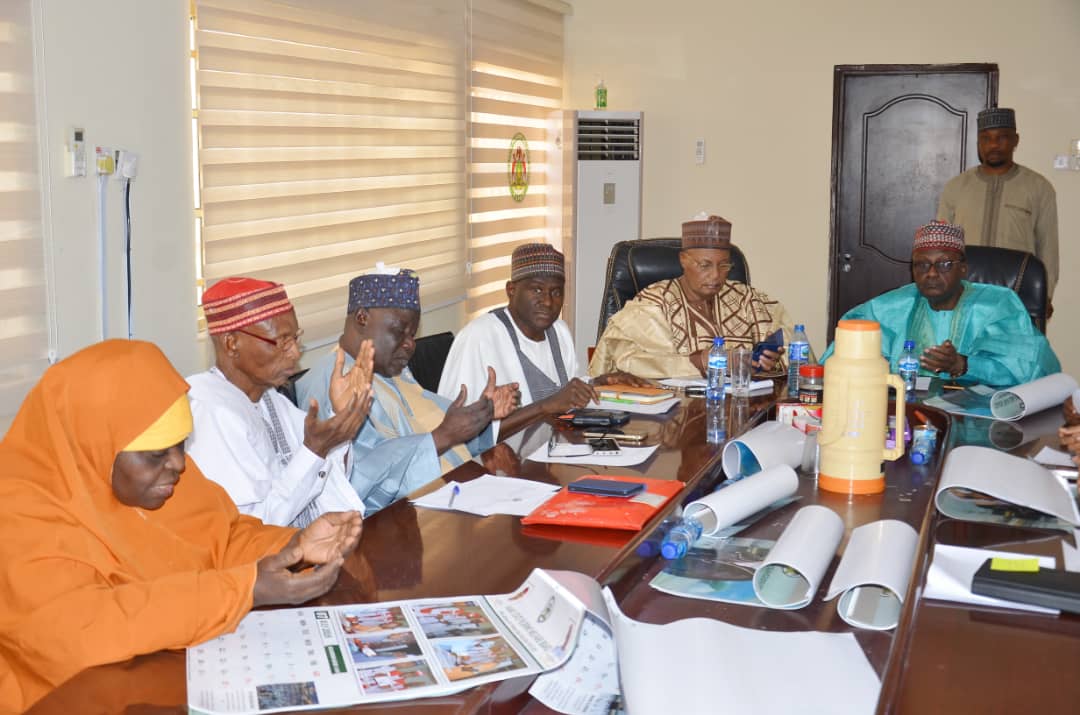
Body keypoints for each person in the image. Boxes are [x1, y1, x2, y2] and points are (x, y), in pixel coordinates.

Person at [0, 340, 362, 712]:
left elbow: (224, 538)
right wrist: (243, 589)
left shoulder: (157, 479)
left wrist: (294, 548)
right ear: (93, 447)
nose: (179, 465)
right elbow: (87, 633)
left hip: (162, 677)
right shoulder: (18, 513)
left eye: (181, 445)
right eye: (158, 453)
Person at [297, 266, 517, 513]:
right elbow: (355, 488)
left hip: (458, 494)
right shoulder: (330, 383)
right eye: (399, 331)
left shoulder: (392, 369)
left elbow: (445, 440)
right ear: (362, 318)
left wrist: (481, 417)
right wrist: (443, 436)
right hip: (402, 520)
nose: (410, 345)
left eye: (412, 333)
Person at [186, 278, 371, 527]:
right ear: (231, 343)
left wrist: (340, 417)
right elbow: (250, 529)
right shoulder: (210, 411)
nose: (295, 353)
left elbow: (328, 480)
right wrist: (316, 449)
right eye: (282, 342)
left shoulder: (268, 397)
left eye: (295, 338)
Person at [438, 243, 648, 436]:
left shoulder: (559, 330)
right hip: (498, 461)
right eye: (537, 290)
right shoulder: (479, 337)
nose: (548, 302)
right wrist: (545, 406)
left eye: (556, 292)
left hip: (553, 452)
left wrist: (596, 384)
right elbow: (453, 433)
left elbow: (564, 397)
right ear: (511, 290)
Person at [820, 220, 1060, 386]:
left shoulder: (997, 305)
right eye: (922, 265)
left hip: (983, 420)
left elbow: (1033, 368)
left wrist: (963, 364)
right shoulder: (892, 306)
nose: (931, 273)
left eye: (944, 264)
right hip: (906, 412)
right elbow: (843, 353)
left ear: (963, 268)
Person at [589, 214, 793, 379]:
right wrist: (705, 362)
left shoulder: (748, 299)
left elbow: (796, 353)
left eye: (724, 265)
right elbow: (628, 362)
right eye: (705, 265)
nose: (716, 275)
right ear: (683, 260)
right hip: (673, 411)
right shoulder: (653, 303)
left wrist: (770, 362)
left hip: (744, 407)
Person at [937, 107, 1059, 301]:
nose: (993, 145)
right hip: (964, 292)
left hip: (1015, 293)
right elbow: (941, 245)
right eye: (986, 138)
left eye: (1002, 137)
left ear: (1015, 140)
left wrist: (1045, 295)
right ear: (979, 142)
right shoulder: (957, 186)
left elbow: (1048, 249)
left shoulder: (1038, 187)